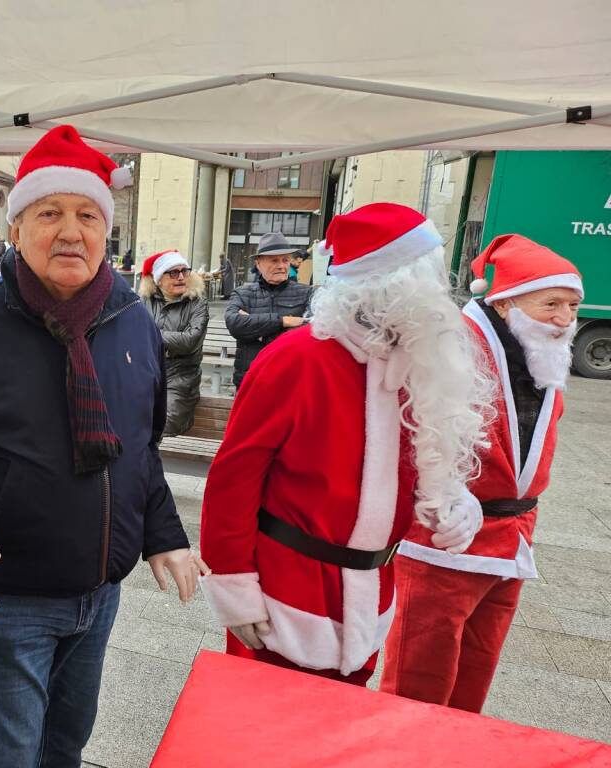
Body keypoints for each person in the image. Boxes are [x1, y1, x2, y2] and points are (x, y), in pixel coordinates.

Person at [0, 124, 196, 768]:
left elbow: (139, 448)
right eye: (49, 213)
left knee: (66, 747)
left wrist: (162, 532)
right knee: (7, 757)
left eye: (87, 214)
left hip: (100, 594)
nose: (70, 231)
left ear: (107, 229)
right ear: (17, 229)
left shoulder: (132, 319)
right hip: (8, 597)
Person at [200, 203, 491, 686]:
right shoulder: (297, 359)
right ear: (395, 283)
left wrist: (452, 498)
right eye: (431, 275)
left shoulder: (418, 362)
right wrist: (233, 585)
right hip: (285, 593)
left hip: (370, 594)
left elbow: (425, 454)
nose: (443, 291)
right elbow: (233, 480)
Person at [381, 235, 583, 712]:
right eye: (551, 303)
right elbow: (404, 423)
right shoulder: (453, 346)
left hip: (512, 538)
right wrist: (442, 489)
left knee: (476, 673)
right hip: (446, 538)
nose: (564, 319)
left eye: (573, 306)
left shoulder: (539, 353)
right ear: (506, 301)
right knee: (418, 680)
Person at [224, 232, 314, 388]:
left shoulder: (307, 293)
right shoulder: (242, 293)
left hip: (292, 381)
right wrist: (282, 321)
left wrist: (261, 336)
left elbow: (312, 331)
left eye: (285, 260)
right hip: (251, 380)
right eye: (274, 260)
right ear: (258, 264)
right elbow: (234, 324)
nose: (281, 265)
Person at [139, 249, 209, 437]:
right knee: (124, 417)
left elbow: (190, 342)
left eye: (184, 271)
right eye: (173, 272)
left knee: (159, 425)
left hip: (180, 379)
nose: (180, 277)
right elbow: (131, 333)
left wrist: (151, 333)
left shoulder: (197, 302)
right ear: (159, 279)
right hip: (145, 374)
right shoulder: (144, 301)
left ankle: (144, 465)